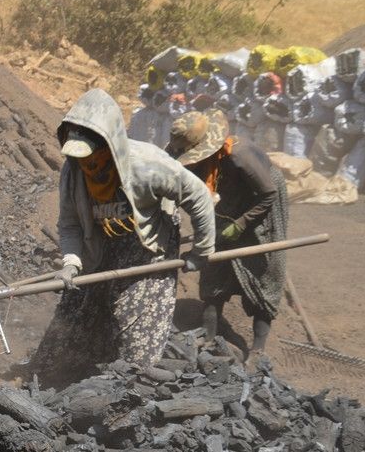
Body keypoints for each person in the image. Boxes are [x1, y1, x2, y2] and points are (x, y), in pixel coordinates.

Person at [28, 89, 216, 383]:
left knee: (134, 314)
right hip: (100, 240)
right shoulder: (73, 173)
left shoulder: (147, 165)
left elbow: (199, 196)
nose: (86, 165)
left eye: (91, 156)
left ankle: (132, 382)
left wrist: (202, 250)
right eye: (78, 158)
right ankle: (64, 375)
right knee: (76, 310)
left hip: (146, 241)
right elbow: (70, 224)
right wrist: (70, 263)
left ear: (109, 145)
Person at [167, 109, 288, 360]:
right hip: (229, 197)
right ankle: (208, 336)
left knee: (263, 269)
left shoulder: (238, 156)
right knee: (215, 264)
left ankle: (258, 350)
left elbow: (269, 193)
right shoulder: (181, 147)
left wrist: (242, 224)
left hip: (262, 199)